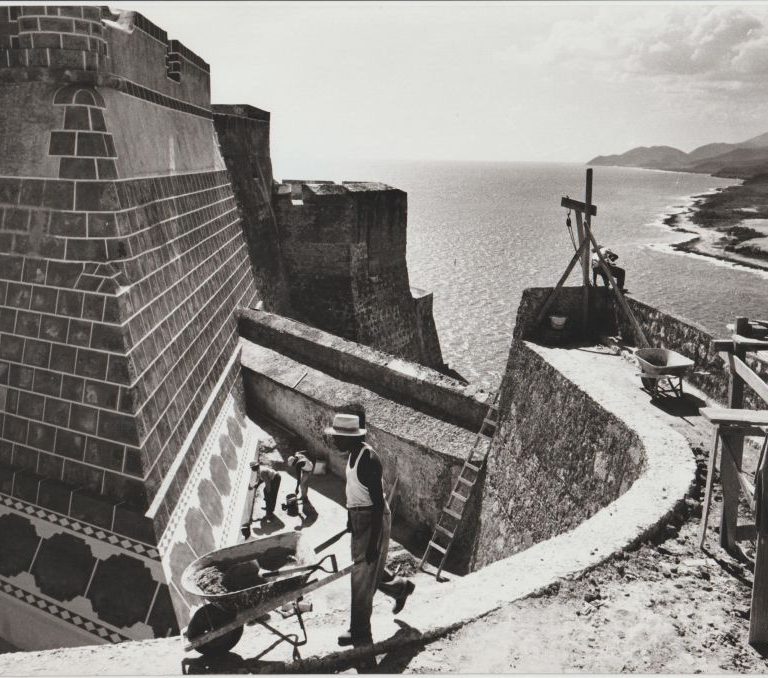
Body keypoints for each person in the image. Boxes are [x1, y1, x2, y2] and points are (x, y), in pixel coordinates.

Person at [324, 413, 415, 653]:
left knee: (362, 575)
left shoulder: (369, 460)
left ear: (350, 438)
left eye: (337, 438)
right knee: (367, 568)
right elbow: (352, 490)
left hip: (373, 519)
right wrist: (349, 518)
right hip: (360, 517)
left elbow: (377, 506)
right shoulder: (353, 454)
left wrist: (374, 543)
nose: (334, 442)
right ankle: (400, 587)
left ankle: (360, 634)